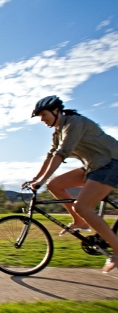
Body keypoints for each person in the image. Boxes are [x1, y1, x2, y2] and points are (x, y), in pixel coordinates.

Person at [27, 95, 118, 273]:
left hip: (111, 163)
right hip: (93, 166)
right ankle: (79, 222)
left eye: (44, 115)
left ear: (56, 111)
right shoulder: (58, 131)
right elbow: (51, 155)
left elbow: (61, 155)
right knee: (54, 185)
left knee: (82, 206)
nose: (43, 120)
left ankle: (117, 252)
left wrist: (40, 181)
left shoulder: (74, 123)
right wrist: (36, 179)